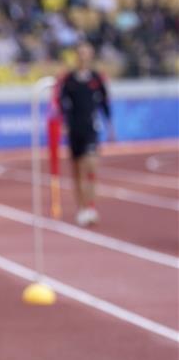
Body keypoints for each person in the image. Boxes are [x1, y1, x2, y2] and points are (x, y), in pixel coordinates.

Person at [57, 41, 114, 227]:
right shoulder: (69, 79)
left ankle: (91, 207)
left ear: (91, 55)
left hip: (91, 128)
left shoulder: (96, 78)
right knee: (78, 172)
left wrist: (110, 126)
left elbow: (104, 102)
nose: (83, 56)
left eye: (86, 52)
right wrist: (64, 123)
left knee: (91, 167)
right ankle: (82, 208)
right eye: (80, 52)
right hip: (75, 129)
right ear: (76, 55)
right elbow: (61, 103)